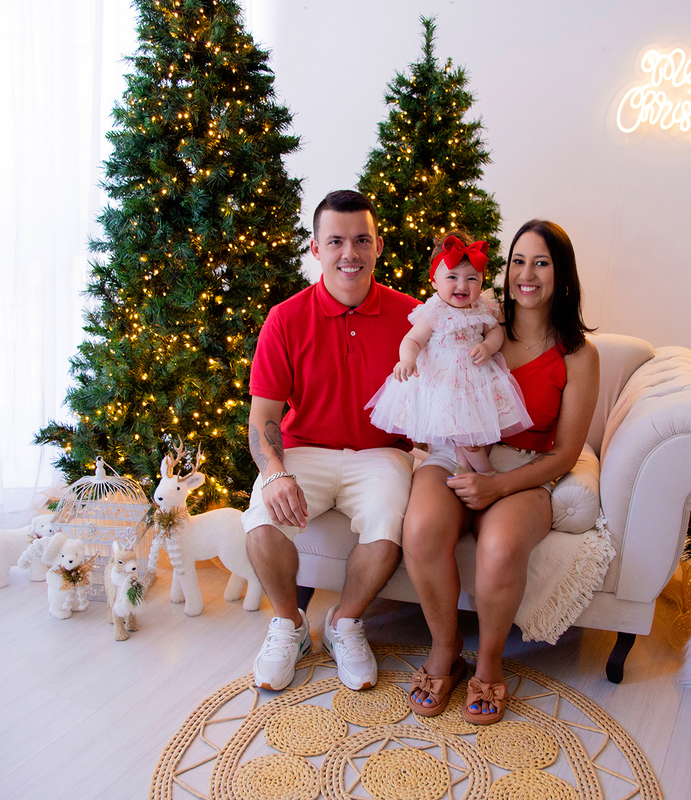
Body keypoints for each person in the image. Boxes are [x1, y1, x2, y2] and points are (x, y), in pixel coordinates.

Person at [401, 219, 600, 724]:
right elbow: (426, 370)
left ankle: (488, 665)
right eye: (518, 261)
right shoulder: (473, 318)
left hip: (527, 468)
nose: (526, 275)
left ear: (563, 275)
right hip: (452, 453)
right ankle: (445, 652)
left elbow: (566, 452)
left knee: (501, 545)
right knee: (421, 529)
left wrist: (495, 487)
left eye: (541, 262)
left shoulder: (579, 354)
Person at [243, 190, 420, 692]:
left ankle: (345, 622)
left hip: (381, 454)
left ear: (379, 245)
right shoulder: (285, 318)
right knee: (260, 522)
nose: (350, 252)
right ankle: (290, 625)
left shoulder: (412, 319)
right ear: (316, 248)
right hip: (304, 451)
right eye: (336, 241)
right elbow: (262, 419)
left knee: (387, 526)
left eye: (361, 239)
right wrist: (275, 474)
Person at [366, 232, 532, 475]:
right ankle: (487, 473)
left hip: (475, 381)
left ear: (482, 280)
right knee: (468, 438)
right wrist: (408, 359)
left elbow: (496, 332)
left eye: (472, 279)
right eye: (452, 277)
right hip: (444, 383)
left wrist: (488, 346)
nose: (462, 285)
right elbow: (412, 339)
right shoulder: (434, 311)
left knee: (473, 434)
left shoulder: (482, 307)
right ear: (434, 281)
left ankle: (463, 467)